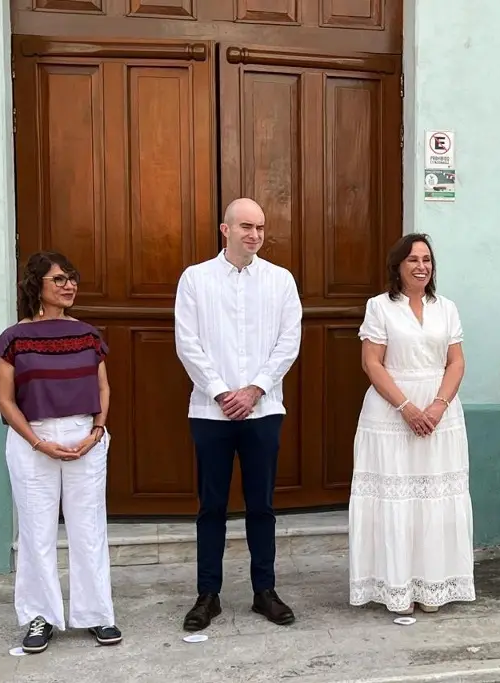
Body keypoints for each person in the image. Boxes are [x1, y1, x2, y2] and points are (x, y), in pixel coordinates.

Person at [174, 198, 302, 631]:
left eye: (261, 227)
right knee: (211, 506)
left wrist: (254, 390)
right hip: (210, 414)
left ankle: (263, 591)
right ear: (224, 230)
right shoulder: (195, 279)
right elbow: (187, 342)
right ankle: (207, 594)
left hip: (264, 410)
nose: (255, 234)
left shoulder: (281, 281)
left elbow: (289, 341)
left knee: (261, 505)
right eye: (246, 226)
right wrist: (221, 392)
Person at [0, 251, 121, 653]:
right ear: (37, 286)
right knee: (36, 534)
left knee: (89, 529)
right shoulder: (14, 338)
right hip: (33, 441)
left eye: (72, 278)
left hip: (86, 436)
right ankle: (39, 617)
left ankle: (97, 614)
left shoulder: (88, 334)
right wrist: (37, 441)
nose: (69, 285)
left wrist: (97, 430)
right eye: (59, 279)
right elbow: (5, 400)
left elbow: (102, 388)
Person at [349, 233, 475, 615]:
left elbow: (456, 362)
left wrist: (437, 405)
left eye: (427, 259)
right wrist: (405, 406)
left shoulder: (447, 308)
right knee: (397, 499)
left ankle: (431, 585)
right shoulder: (380, 306)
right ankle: (396, 587)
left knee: (433, 499)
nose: (421, 266)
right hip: (390, 415)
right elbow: (372, 362)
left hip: (441, 415)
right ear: (398, 266)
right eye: (413, 260)